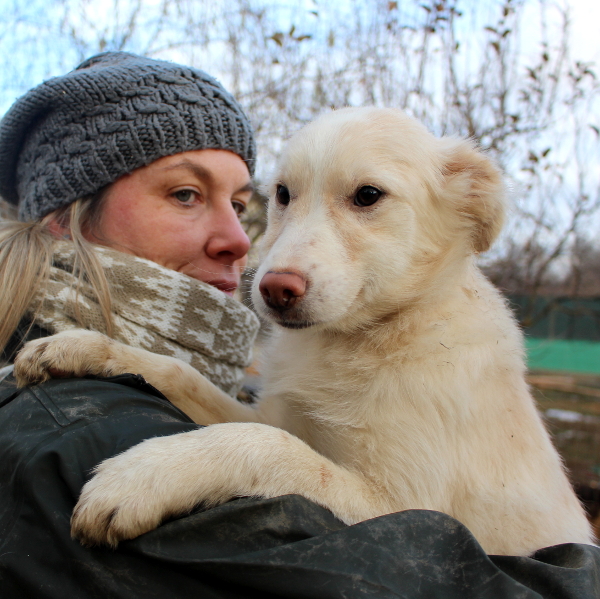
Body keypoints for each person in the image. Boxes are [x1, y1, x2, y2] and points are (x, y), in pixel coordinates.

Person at [0, 51, 598, 599]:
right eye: (185, 193)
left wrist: (135, 364)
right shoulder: (66, 431)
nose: (255, 246)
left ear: (463, 207)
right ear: (61, 216)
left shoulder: (457, 349)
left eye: (365, 197)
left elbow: (371, 501)